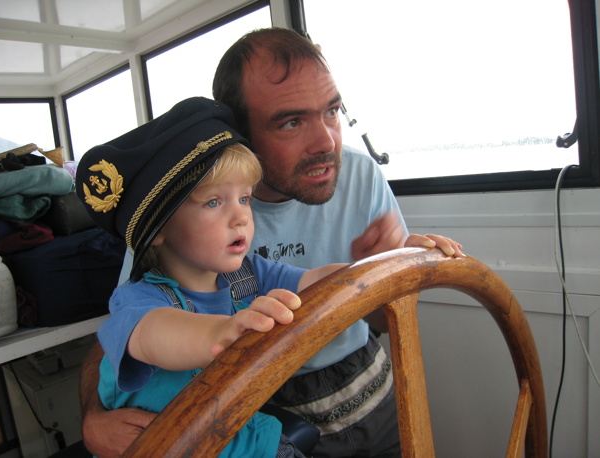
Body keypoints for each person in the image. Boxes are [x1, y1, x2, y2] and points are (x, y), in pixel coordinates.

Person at [79, 28, 463, 457]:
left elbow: (322, 285)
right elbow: (131, 333)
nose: (326, 143)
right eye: (291, 122)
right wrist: (93, 417)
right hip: (261, 410)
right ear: (240, 132)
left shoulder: (347, 186)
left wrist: (390, 264)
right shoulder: (166, 227)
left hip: (367, 385)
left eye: (332, 111)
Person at [76, 96, 352, 457]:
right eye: (213, 202)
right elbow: (154, 335)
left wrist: (379, 264)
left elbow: (316, 281)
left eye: (245, 199)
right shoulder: (137, 300)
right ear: (159, 230)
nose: (241, 217)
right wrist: (220, 332)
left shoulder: (250, 274)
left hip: (241, 439)